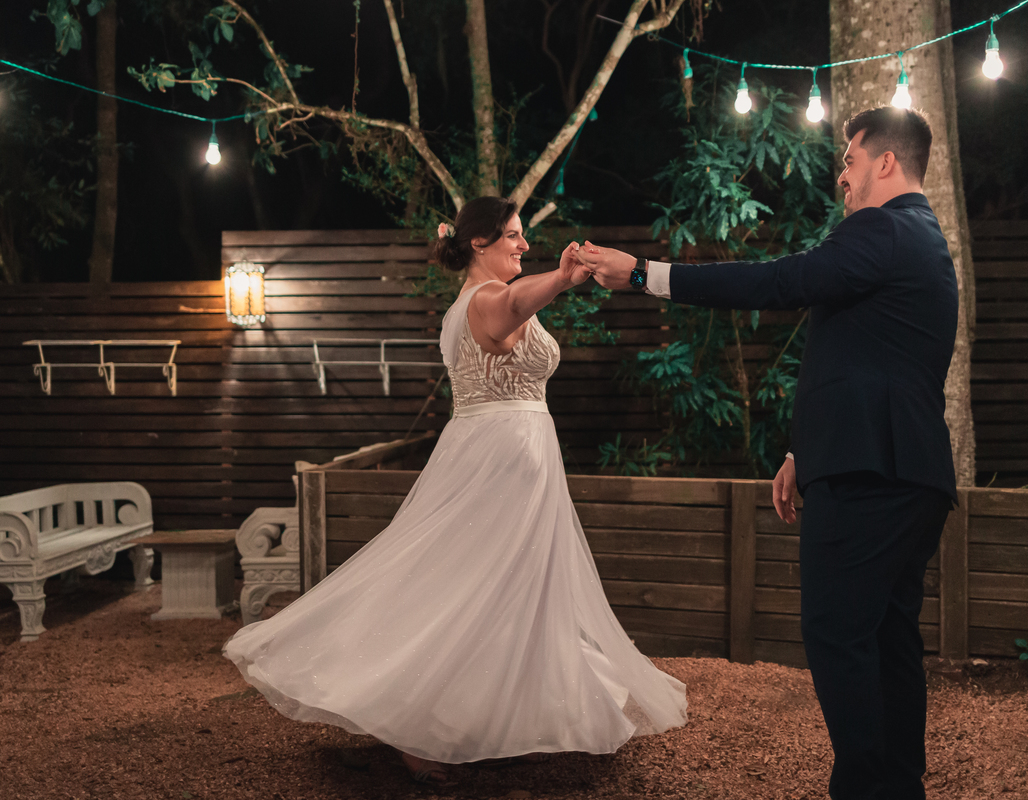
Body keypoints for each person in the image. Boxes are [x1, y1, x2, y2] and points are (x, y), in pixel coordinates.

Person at [223, 196, 687, 787]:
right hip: (494, 461)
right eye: (515, 235)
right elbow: (516, 301)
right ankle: (410, 728)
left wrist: (559, 281)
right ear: (479, 243)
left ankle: (498, 723)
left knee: (511, 595)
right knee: (463, 585)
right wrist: (564, 280)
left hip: (522, 457)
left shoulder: (490, 299)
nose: (523, 244)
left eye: (523, 237)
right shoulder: (485, 300)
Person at [577, 106, 958, 800]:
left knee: (838, 636)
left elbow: (780, 281)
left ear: (885, 163)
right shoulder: (923, 243)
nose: (840, 177)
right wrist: (801, 450)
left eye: (848, 160)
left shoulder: (880, 228)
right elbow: (869, 359)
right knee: (888, 641)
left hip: (871, 477)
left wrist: (644, 275)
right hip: (907, 471)